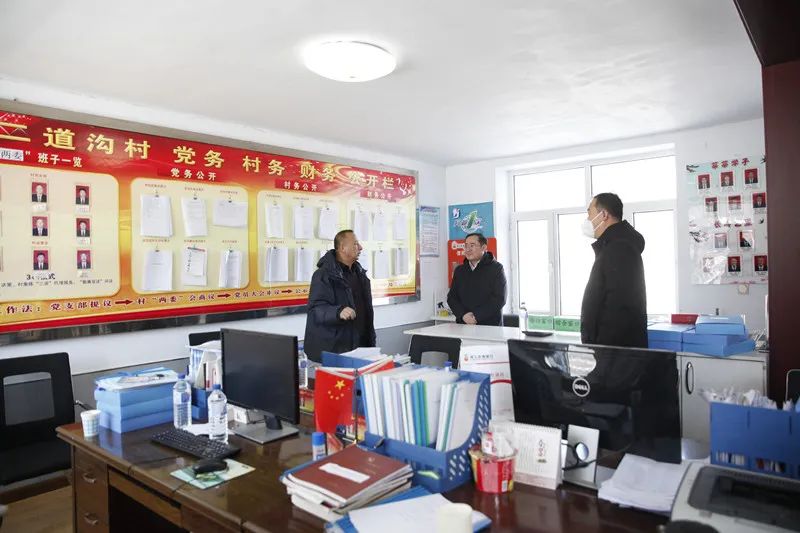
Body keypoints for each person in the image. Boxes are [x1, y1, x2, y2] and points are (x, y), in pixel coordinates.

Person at [580, 193, 647, 348]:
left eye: (590, 213)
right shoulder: (615, 247)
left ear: (604, 215)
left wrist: (594, 345)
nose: (588, 219)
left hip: (613, 351)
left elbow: (617, 308)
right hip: (613, 350)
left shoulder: (619, 250)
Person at [303, 229, 375, 362]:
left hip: (361, 349)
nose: (360, 247)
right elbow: (315, 309)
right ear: (342, 248)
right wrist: (337, 311)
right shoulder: (323, 275)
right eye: (355, 244)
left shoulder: (360, 274)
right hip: (334, 350)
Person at [447, 232, 506, 326]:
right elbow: (452, 298)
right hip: (464, 324)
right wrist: (463, 315)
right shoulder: (459, 270)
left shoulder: (496, 268)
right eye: (466, 246)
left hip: (490, 326)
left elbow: (499, 298)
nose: (468, 249)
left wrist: (476, 316)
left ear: (483, 247)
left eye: (472, 245)